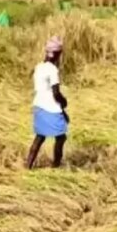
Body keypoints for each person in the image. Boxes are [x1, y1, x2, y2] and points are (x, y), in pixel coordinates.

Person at [26, 36, 70, 169]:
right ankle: (56, 165)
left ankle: (28, 165)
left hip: (38, 105)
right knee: (61, 138)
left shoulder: (39, 67)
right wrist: (64, 102)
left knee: (40, 137)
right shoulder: (52, 70)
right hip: (51, 107)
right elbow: (55, 94)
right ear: (56, 54)